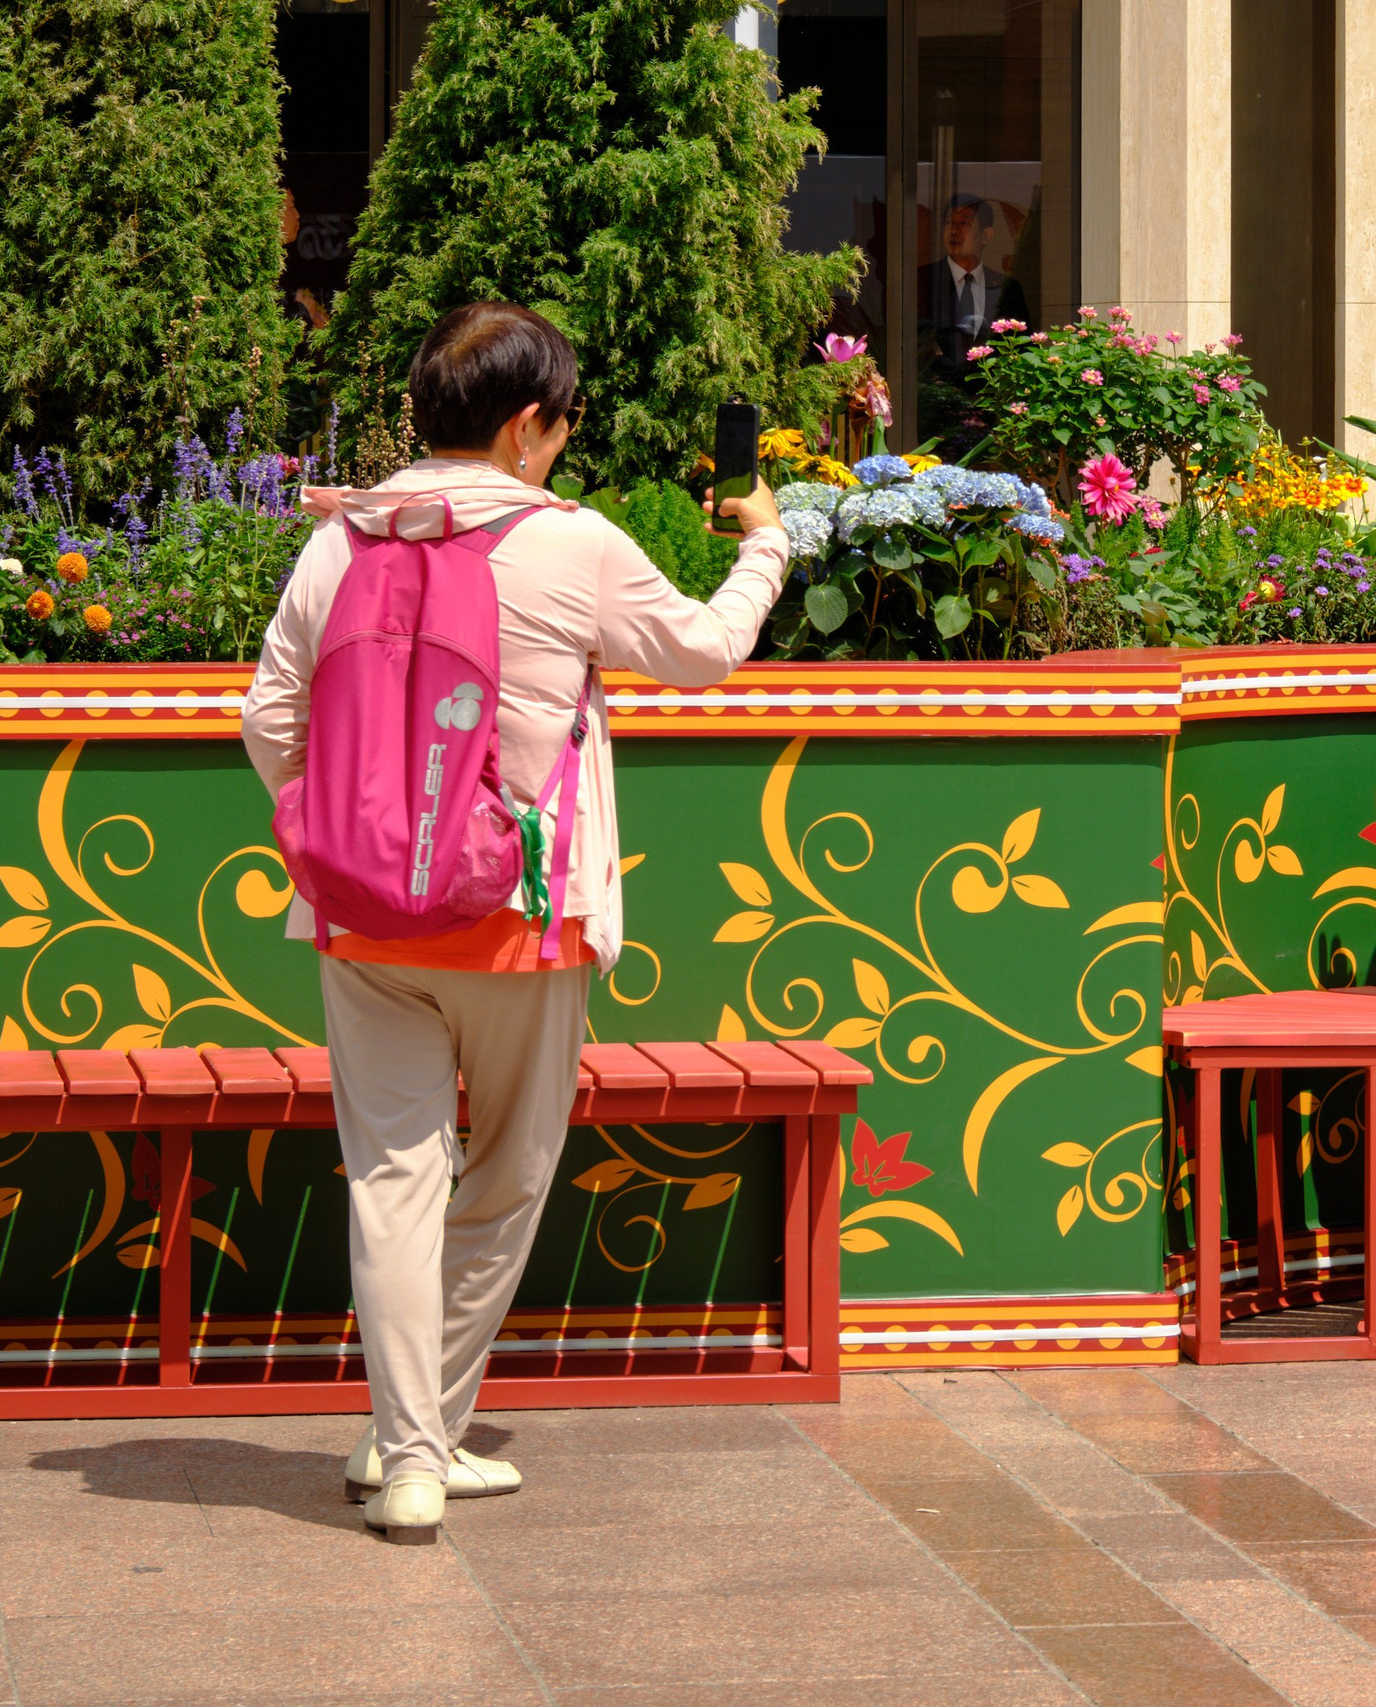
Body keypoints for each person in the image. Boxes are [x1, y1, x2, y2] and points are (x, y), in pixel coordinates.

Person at [240, 302, 789, 1541]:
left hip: (357, 921)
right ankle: (418, 1446)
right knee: (506, 1173)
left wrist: (346, 829)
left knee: (391, 1180)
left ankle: (410, 1450)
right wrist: (768, 542)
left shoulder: (339, 543)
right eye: (563, 422)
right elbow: (701, 653)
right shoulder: (572, 544)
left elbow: (269, 722)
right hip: (519, 919)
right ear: (530, 424)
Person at [918, 194, 1028, 381]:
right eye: (949, 222)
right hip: (934, 394)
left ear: (985, 235)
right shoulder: (922, 280)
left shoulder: (1007, 288)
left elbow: (1022, 349)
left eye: (964, 223)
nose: (954, 231)